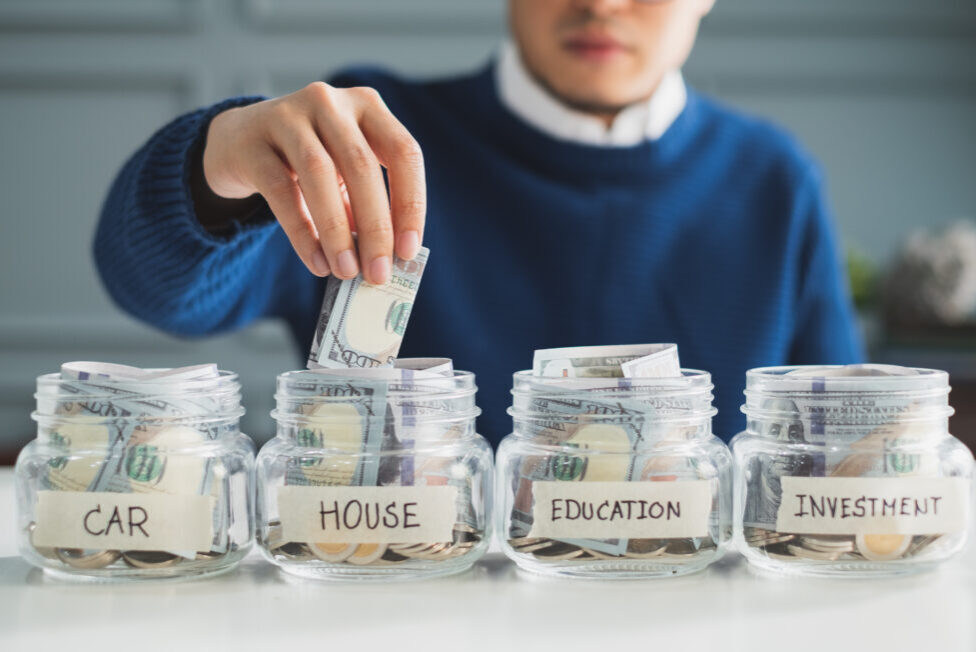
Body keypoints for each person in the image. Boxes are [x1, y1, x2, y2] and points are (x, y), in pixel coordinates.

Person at [93, 0, 864, 445]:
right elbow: (152, 286)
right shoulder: (373, 138)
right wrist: (213, 163)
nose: (598, 3)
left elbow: (845, 443)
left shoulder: (774, 181)